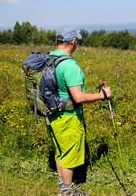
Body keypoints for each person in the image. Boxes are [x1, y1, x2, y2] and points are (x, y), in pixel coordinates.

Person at [48, 27, 111, 196]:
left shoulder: (49, 57)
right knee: (69, 154)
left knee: (60, 151)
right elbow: (78, 97)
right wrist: (102, 95)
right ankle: (68, 192)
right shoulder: (69, 65)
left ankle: (62, 185)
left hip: (52, 114)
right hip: (68, 117)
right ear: (73, 42)